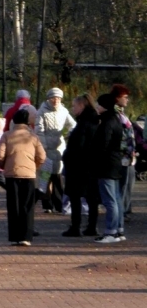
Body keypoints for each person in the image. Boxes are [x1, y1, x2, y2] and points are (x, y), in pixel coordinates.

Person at [0, 109, 47, 246]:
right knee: (27, 206)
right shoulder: (33, 137)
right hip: (29, 175)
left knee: (13, 206)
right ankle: (26, 236)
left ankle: (15, 236)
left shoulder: (7, 135)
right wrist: (33, 166)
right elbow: (42, 156)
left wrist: (4, 165)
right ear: (28, 122)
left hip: (12, 174)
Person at [62, 94, 100, 237]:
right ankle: (92, 225)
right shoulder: (95, 121)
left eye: (74, 106)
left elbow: (79, 146)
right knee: (91, 198)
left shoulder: (84, 124)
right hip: (90, 166)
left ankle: (76, 226)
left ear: (82, 106)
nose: (73, 108)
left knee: (75, 196)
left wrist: (67, 156)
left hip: (78, 166)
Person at [36, 87, 76, 214]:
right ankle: (47, 204)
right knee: (45, 177)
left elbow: (73, 125)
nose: (56, 100)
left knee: (58, 178)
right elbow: (39, 130)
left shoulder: (64, 111)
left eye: (58, 98)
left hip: (59, 149)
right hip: (46, 148)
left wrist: (69, 135)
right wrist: (43, 145)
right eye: (53, 98)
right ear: (49, 98)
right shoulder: (41, 111)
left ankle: (59, 204)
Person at [92, 93, 126, 243]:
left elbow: (102, 144)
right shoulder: (116, 119)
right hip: (115, 162)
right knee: (116, 198)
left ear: (104, 106)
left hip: (106, 164)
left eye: (99, 104)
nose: (97, 107)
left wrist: (96, 158)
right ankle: (118, 230)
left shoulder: (106, 122)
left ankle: (111, 232)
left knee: (109, 199)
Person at [110, 84, 136, 221]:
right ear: (117, 98)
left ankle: (123, 212)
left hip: (128, 157)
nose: (127, 100)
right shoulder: (115, 114)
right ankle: (119, 216)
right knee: (121, 187)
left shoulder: (121, 113)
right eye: (125, 97)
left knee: (127, 186)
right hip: (122, 157)